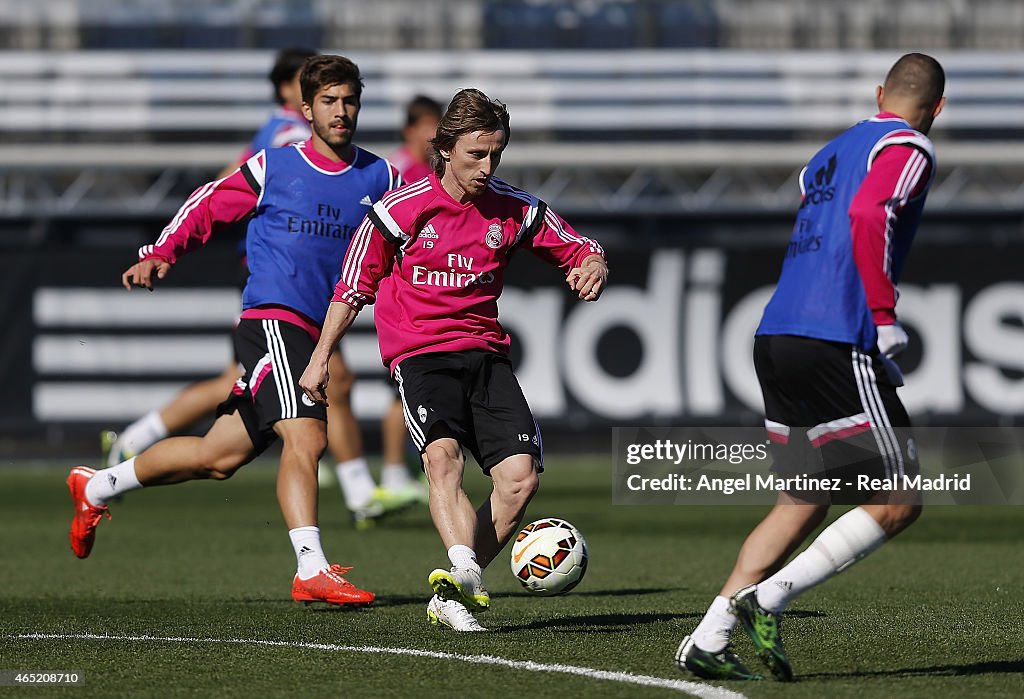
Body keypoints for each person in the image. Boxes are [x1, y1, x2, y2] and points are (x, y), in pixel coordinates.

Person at [67, 55, 402, 606]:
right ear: (306, 109)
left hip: (317, 330)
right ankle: (311, 568)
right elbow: (208, 203)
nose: (341, 112)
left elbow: (414, 239)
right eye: (329, 101)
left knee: (216, 457)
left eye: (350, 100)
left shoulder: (382, 177)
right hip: (273, 317)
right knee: (308, 435)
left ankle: (97, 485)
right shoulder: (276, 166)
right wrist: (161, 252)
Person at [675, 53, 946, 681]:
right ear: (938, 109)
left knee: (805, 495)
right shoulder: (909, 147)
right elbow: (868, 214)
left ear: (880, 93)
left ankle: (709, 636)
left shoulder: (826, 155)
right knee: (899, 500)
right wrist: (881, 316)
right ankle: (764, 599)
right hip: (834, 333)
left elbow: (823, 216)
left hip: (777, 332)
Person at [299, 88, 609, 631]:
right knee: (443, 458)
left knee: (520, 480)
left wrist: (595, 266)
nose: (487, 166)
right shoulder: (399, 212)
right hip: (419, 354)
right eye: (476, 155)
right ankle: (464, 569)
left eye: (496, 153)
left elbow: (579, 247)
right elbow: (352, 287)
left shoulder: (515, 209)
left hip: (486, 355)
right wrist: (320, 356)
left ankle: (457, 587)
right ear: (444, 149)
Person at [388, 95, 444, 183]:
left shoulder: (436, 165)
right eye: (427, 127)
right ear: (409, 131)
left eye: (437, 126)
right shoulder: (398, 170)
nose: (434, 134)